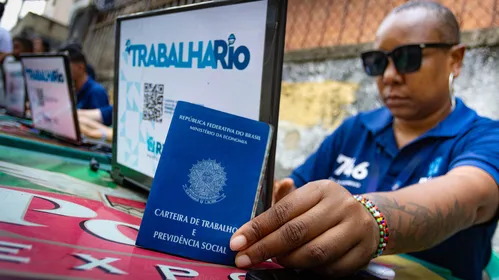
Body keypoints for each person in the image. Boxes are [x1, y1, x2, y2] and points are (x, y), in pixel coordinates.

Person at [229, 2, 499, 280]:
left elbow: (468, 197)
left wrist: (371, 219)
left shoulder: (485, 137)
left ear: (455, 59)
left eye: (408, 58)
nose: (390, 76)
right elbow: (293, 190)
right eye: (377, 62)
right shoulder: (355, 130)